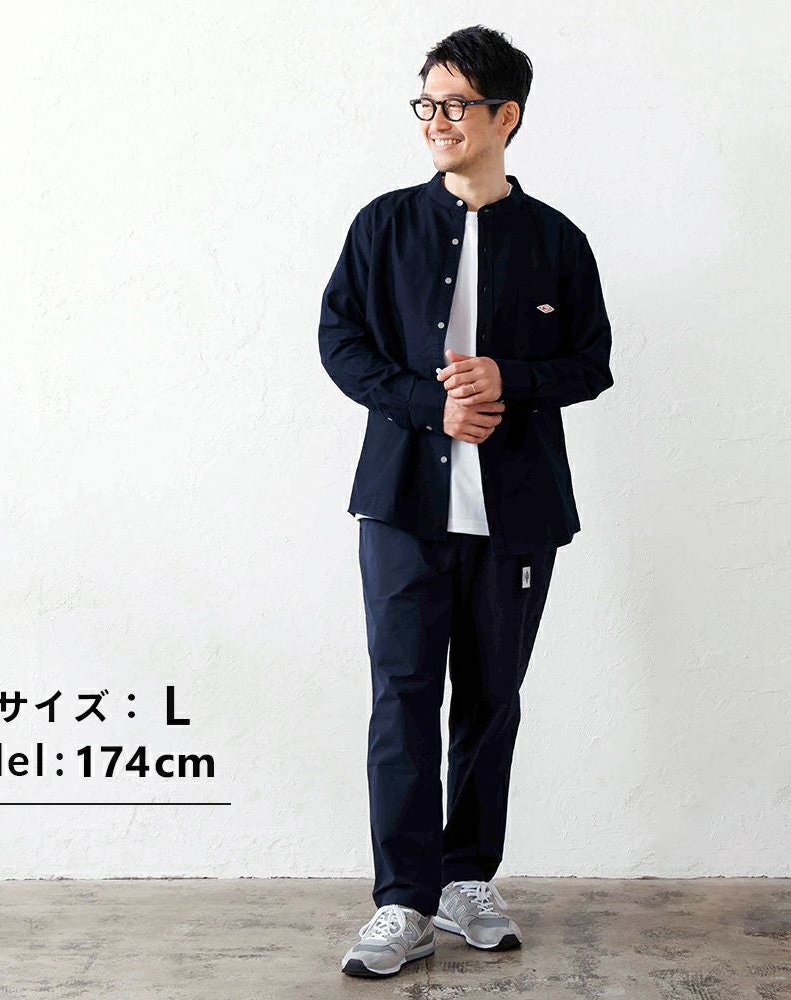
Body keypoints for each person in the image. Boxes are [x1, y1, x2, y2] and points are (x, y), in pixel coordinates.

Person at [317, 25, 614, 979]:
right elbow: (340, 341)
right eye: (428, 103)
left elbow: (592, 362)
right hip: (403, 504)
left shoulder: (558, 241)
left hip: (517, 513)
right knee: (402, 696)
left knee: (491, 700)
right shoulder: (383, 227)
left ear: (505, 116)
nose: (437, 121)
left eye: (456, 104)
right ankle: (401, 901)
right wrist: (428, 405)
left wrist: (508, 379)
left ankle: (466, 880)